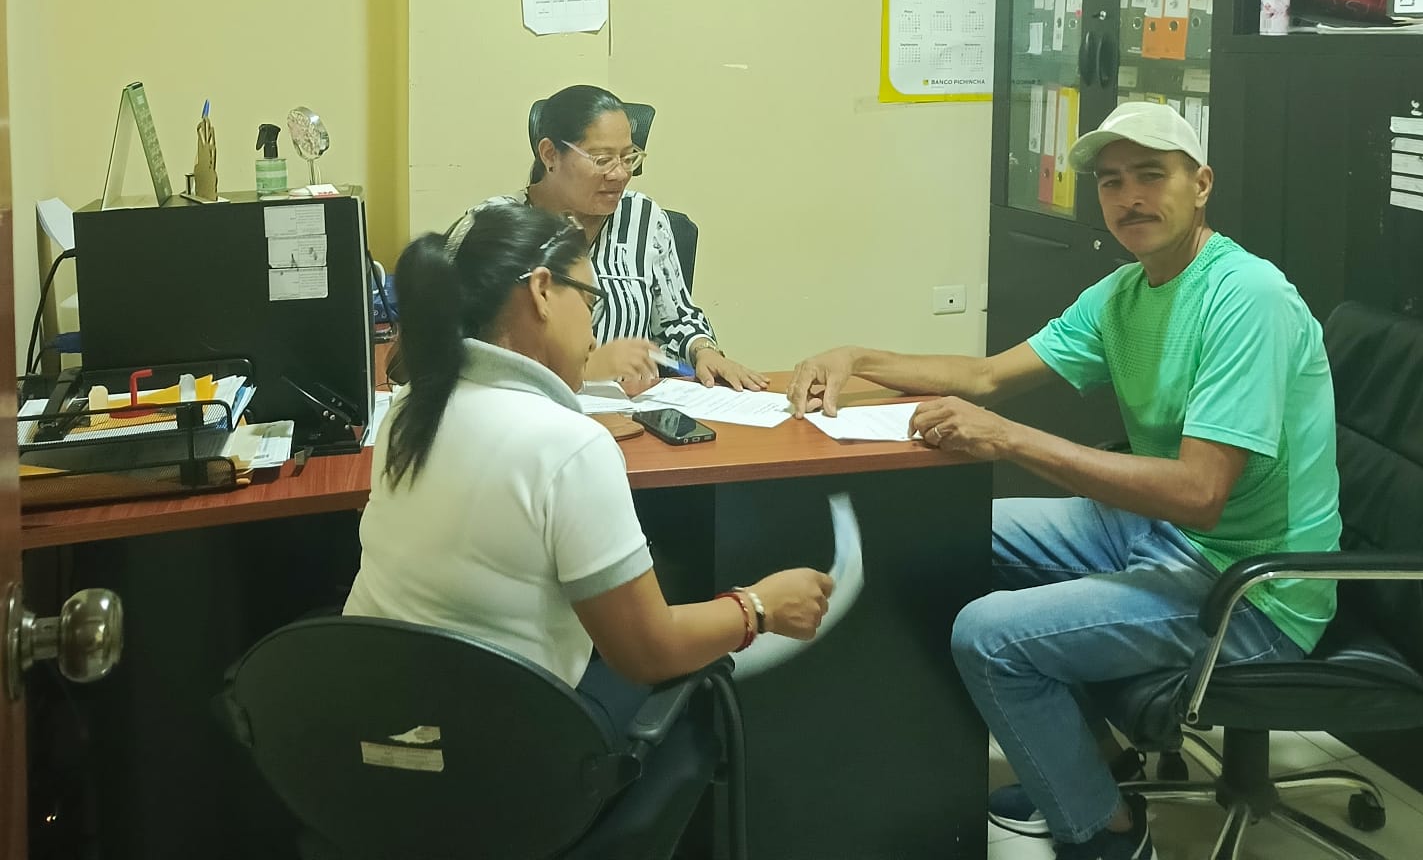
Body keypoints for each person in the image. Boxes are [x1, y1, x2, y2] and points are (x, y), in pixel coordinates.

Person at [788, 102, 1341, 860]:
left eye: (1151, 175)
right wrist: (856, 358)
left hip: (1249, 588)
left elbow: (1199, 493)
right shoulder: (1126, 293)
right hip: (1158, 534)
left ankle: (1107, 835)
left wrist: (1008, 438)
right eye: (1111, 182)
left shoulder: (1246, 297)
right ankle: (1093, 767)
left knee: (988, 636)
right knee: (938, 536)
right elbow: (987, 375)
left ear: (1202, 184)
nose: (1130, 197)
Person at [345, 200, 832, 748]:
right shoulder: (569, 445)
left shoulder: (409, 412)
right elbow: (648, 653)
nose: (595, 334)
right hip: (497, 759)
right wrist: (760, 607)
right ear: (541, 291)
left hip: (373, 738)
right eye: (590, 300)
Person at [462, 84, 767, 393]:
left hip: (628, 409)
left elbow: (676, 318)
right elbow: (466, 345)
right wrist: (586, 370)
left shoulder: (643, 217)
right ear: (550, 154)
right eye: (602, 159)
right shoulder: (495, 226)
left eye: (628, 157)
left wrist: (704, 351)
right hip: (526, 406)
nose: (620, 174)